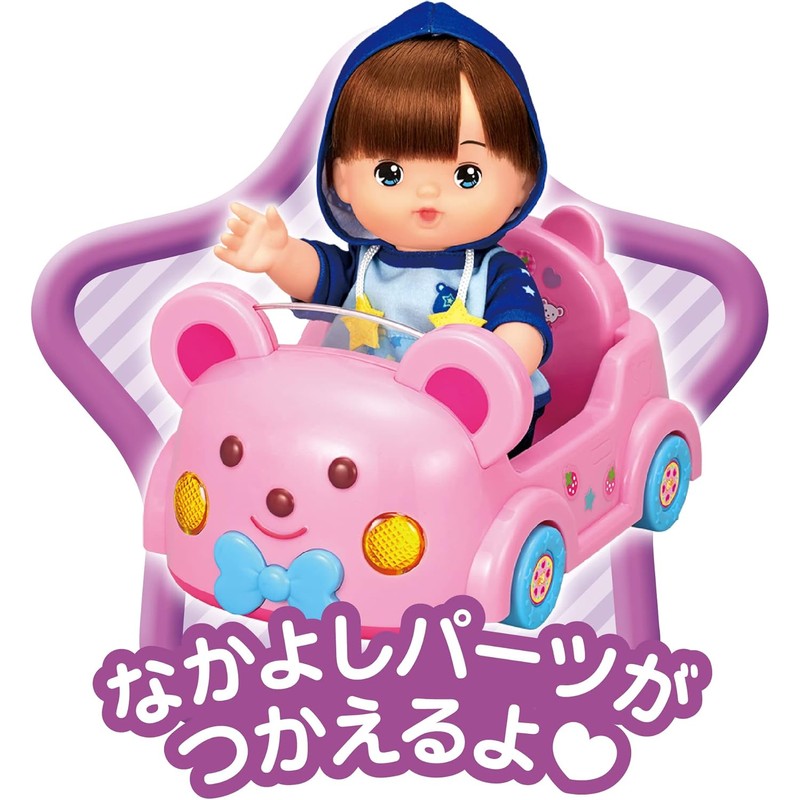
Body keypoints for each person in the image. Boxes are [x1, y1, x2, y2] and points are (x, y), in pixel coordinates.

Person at [215, 2, 552, 452]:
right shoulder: (365, 264)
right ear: (341, 178)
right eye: (390, 174)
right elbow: (318, 278)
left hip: (469, 424)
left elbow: (523, 328)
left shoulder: (496, 272)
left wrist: (493, 365)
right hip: (362, 410)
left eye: (466, 175)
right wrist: (280, 255)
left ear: (523, 182)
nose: (427, 193)